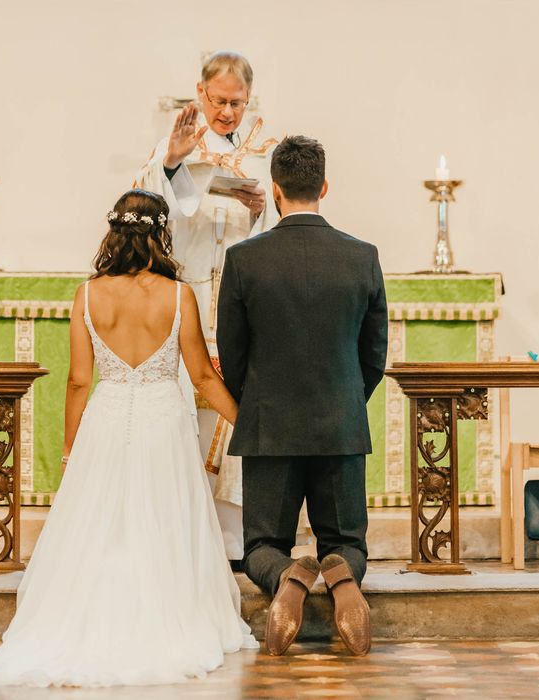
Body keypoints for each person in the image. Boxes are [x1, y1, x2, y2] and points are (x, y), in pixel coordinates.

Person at [0, 189, 256, 689]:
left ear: (115, 232)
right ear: (161, 234)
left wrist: (71, 448)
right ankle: (166, 614)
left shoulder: (88, 294)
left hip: (106, 419)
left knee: (103, 528)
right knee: (163, 521)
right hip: (162, 422)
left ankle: (91, 618)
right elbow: (201, 376)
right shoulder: (179, 295)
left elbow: (77, 380)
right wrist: (245, 421)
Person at [216, 136, 388, 657]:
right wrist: (346, 398)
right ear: (324, 187)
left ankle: (288, 577)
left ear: (275, 189)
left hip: (269, 424)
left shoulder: (244, 259)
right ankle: (339, 576)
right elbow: (374, 353)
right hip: (340, 422)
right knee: (348, 543)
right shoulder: (362, 257)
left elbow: (233, 352)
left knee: (260, 547)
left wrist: (259, 400)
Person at [135, 50, 279, 561]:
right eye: (219, 101)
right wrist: (173, 162)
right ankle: (179, 535)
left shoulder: (263, 151)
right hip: (189, 297)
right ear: (201, 93)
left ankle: (232, 541)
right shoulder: (173, 146)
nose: (227, 113)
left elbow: (277, 227)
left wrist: (263, 211)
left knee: (233, 414)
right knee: (182, 414)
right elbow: (143, 206)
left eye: (237, 103)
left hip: (240, 304)